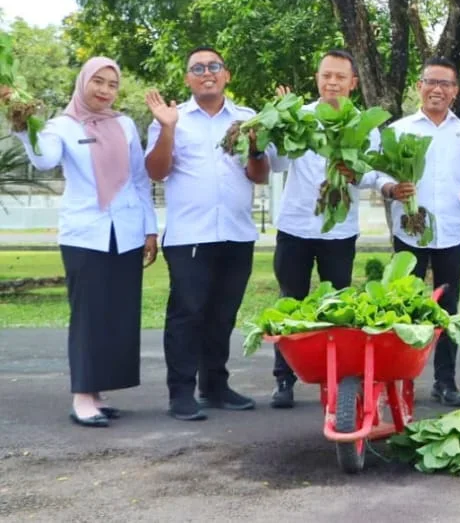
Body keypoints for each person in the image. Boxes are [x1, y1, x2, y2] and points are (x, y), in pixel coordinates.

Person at [10, 57, 158, 427]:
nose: (105, 90)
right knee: (89, 314)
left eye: (112, 84)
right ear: (83, 83)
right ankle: (82, 395)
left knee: (117, 315)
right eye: (98, 82)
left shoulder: (124, 125)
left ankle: (98, 390)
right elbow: (44, 161)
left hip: (125, 231)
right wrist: (23, 125)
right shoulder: (62, 125)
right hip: (85, 233)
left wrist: (150, 229)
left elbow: (140, 180)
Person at [145, 47, 272, 421]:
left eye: (213, 66)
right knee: (187, 314)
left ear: (226, 75)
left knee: (222, 315)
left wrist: (255, 146)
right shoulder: (172, 117)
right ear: (188, 79)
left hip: (236, 233)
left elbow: (259, 175)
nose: (206, 72)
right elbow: (156, 170)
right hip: (190, 236)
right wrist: (167, 129)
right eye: (197, 68)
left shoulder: (249, 119)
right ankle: (180, 393)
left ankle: (215, 387)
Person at [267, 50, 391, 409]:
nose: (332, 83)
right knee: (290, 302)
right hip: (296, 227)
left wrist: (362, 177)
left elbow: (372, 170)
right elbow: (276, 163)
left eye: (340, 77)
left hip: (339, 231)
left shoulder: (364, 124)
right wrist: (279, 125)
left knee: (337, 306)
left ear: (353, 82)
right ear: (317, 78)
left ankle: (338, 380)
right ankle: (283, 380)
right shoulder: (301, 117)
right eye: (326, 76)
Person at [379, 57, 460, 407]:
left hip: (450, 231)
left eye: (446, 84)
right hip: (410, 231)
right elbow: (373, 173)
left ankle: (445, 381)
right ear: (419, 86)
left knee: (447, 308)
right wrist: (392, 187)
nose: (437, 89)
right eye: (431, 82)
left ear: (455, 92)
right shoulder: (399, 129)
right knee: (402, 307)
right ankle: (395, 380)